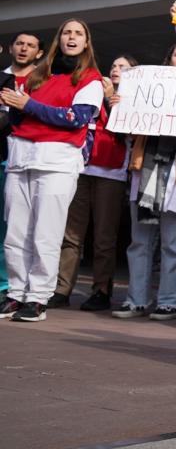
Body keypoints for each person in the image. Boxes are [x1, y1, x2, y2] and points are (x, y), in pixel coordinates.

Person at [0, 20, 102, 322]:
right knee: (16, 232)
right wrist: (12, 106)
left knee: (46, 232)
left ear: (86, 42)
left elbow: (75, 117)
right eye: (66, 32)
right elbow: (19, 119)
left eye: (78, 33)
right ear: (59, 39)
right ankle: (16, 294)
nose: (71, 37)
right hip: (21, 158)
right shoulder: (37, 75)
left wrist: (28, 105)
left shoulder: (90, 79)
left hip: (57, 161)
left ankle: (38, 297)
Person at [112, 42, 176, 320]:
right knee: (140, 241)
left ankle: (169, 301)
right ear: (168, 61)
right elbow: (129, 129)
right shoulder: (149, 90)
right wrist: (122, 106)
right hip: (147, 172)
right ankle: (136, 300)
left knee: (173, 242)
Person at [53, 54, 137, 311]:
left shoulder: (133, 99)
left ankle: (101, 290)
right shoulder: (91, 91)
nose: (115, 69)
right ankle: (61, 288)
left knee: (104, 236)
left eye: (123, 67)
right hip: (81, 167)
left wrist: (113, 102)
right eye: (113, 65)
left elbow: (127, 132)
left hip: (111, 171)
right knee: (71, 233)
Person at [1, 31, 46, 302]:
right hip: (2, 156)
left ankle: (17, 287)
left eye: (30, 46)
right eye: (20, 43)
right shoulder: (2, 76)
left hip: (27, 157)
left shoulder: (43, 81)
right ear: (11, 47)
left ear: (39, 53)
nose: (24, 49)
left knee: (22, 227)